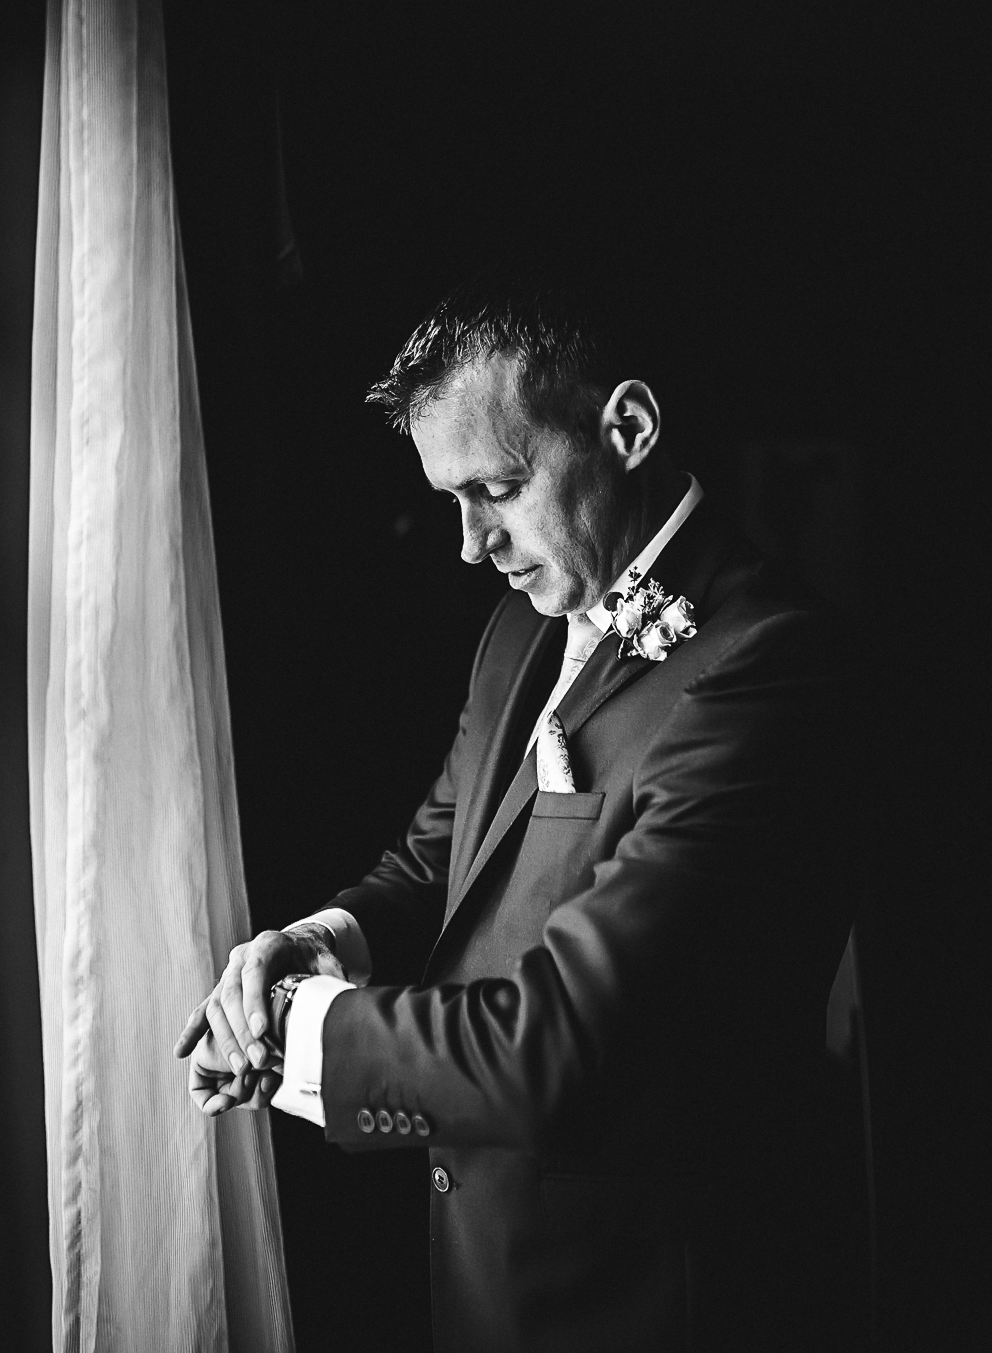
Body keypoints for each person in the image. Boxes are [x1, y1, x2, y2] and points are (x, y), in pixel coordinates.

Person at [175, 272, 864, 1352]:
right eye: (449, 499)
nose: (468, 545)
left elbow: (565, 1042)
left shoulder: (769, 666)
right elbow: (438, 859)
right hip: (482, 1283)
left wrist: (294, 1033)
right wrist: (311, 942)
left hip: (650, 1306)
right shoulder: (516, 633)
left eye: (494, 489)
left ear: (626, 427)